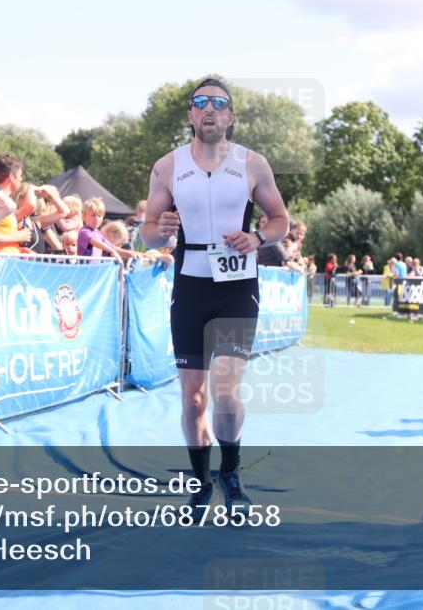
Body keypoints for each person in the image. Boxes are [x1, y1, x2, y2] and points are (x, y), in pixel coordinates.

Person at [139, 77, 288, 518]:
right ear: (190, 114)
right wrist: (157, 233)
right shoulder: (167, 166)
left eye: (218, 103)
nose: (209, 109)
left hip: (238, 286)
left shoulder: (252, 164)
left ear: (230, 116)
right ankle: (201, 481)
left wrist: (259, 236)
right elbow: (147, 232)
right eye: (200, 103)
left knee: (225, 389)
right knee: (193, 399)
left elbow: (280, 218)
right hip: (191, 284)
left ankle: (232, 472)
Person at [0, 153, 33, 254]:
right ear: (12, 177)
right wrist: (18, 236)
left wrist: (20, 250)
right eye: (20, 175)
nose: (21, 179)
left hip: (4, 263)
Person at [78, 197, 138, 261]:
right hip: (85, 269)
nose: (96, 219)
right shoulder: (84, 232)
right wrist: (111, 250)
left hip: (97, 269)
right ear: (84, 216)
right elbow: (95, 242)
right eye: (93, 215)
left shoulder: (99, 234)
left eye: (99, 216)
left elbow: (112, 247)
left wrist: (132, 254)